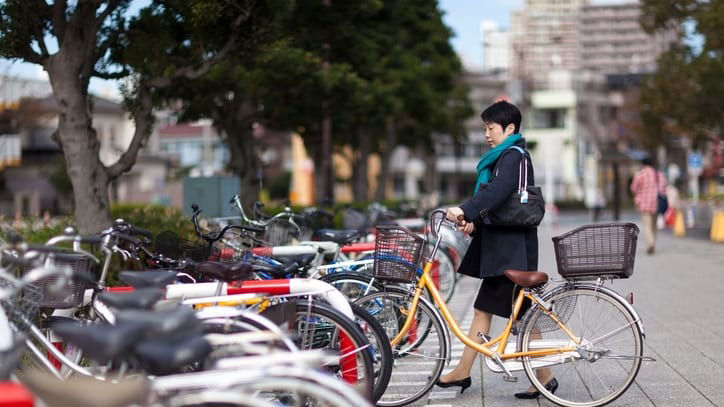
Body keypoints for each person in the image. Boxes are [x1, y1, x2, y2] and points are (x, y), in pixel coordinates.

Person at [440, 101, 555, 399]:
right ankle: (543, 377)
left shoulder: (513, 156)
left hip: (510, 251)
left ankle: (464, 372)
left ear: (510, 128)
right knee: (509, 313)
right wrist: (475, 223)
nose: (487, 134)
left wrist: (465, 209)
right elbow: (504, 207)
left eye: (491, 128)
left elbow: (498, 192)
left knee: (512, 315)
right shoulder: (505, 157)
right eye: (485, 129)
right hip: (506, 248)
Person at [630, 157, 666, 254]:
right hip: (656, 203)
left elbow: (633, 188)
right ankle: (653, 242)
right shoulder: (659, 174)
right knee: (654, 225)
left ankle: (650, 244)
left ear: (643, 164)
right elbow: (663, 189)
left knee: (647, 225)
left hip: (644, 203)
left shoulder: (640, 175)